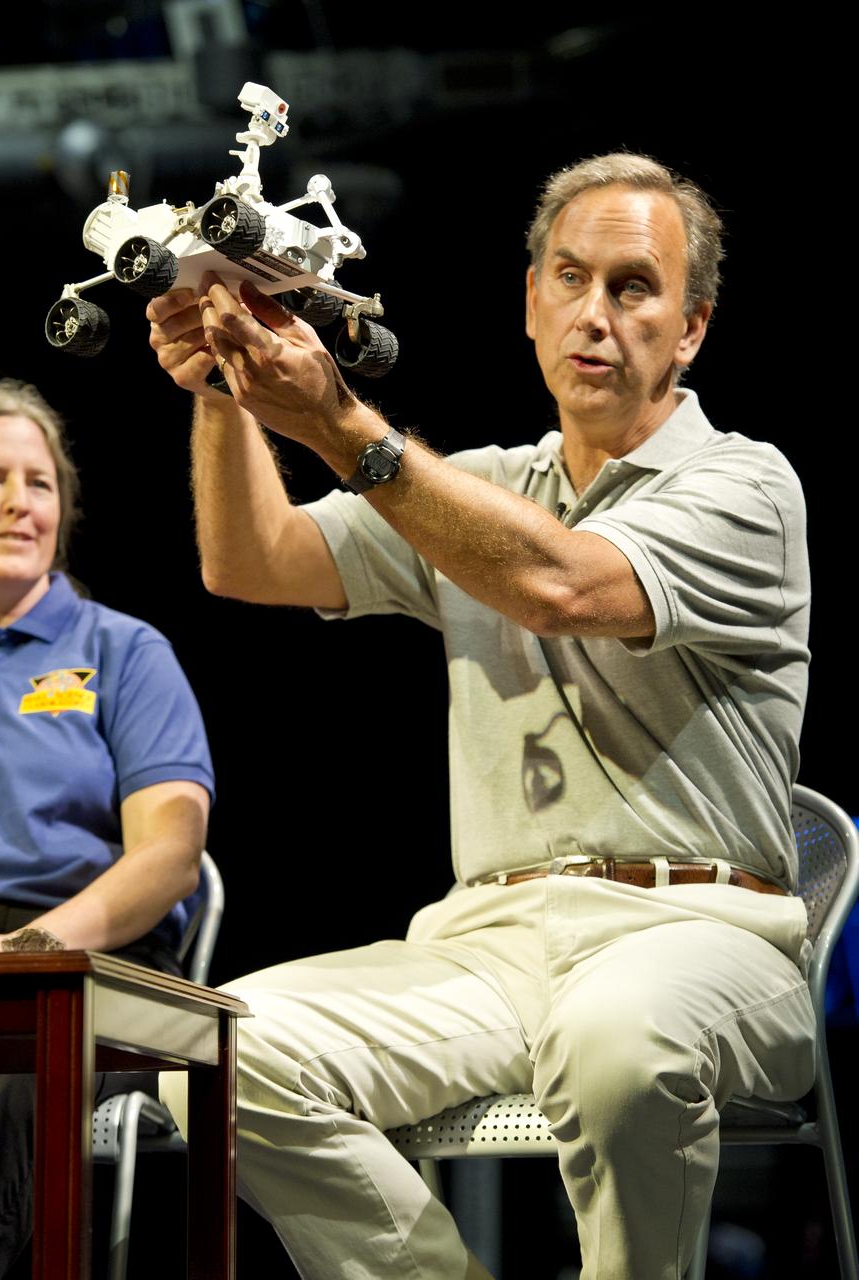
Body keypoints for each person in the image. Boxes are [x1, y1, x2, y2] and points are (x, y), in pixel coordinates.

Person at [146, 154, 815, 1279]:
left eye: (632, 287)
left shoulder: (745, 487)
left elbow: (559, 585)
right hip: (487, 943)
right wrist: (225, 386)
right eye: (569, 278)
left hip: (698, 933)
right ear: (529, 302)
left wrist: (340, 424)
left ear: (690, 329)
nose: (594, 314)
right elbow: (250, 560)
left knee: (619, 1042)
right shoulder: (480, 486)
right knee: (215, 1050)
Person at [0, 381, 214, 1279]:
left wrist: (28, 952)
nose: (20, 503)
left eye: (40, 483)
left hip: (90, 963)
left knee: (3, 1058)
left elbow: (170, 854)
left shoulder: (123, 651)